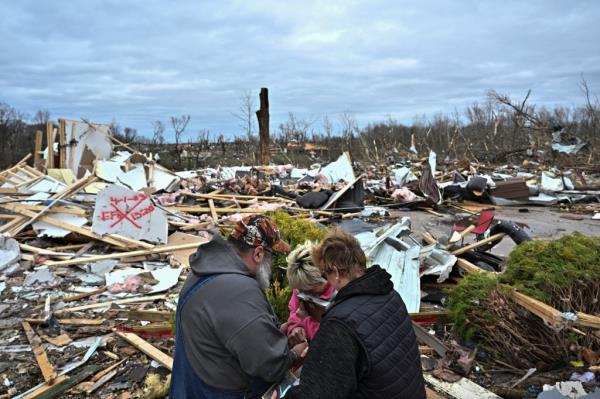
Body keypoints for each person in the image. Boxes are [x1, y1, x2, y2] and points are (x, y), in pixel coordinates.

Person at [169, 215, 307, 399]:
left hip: (192, 386)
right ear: (258, 253)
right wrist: (295, 355)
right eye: (270, 256)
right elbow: (270, 366)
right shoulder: (240, 291)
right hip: (220, 392)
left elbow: (235, 334)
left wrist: (277, 333)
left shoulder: (203, 271)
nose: (271, 264)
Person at [283, 229, 426, 399]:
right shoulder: (390, 295)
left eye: (325, 274)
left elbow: (317, 393)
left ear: (336, 273)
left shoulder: (340, 324)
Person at [282, 241, 336, 346]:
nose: (305, 294)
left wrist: (306, 321)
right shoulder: (302, 285)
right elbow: (294, 311)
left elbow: (331, 340)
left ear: (322, 277)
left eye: (310, 289)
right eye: (301, 290)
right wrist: (295, 328)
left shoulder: (340, 292)